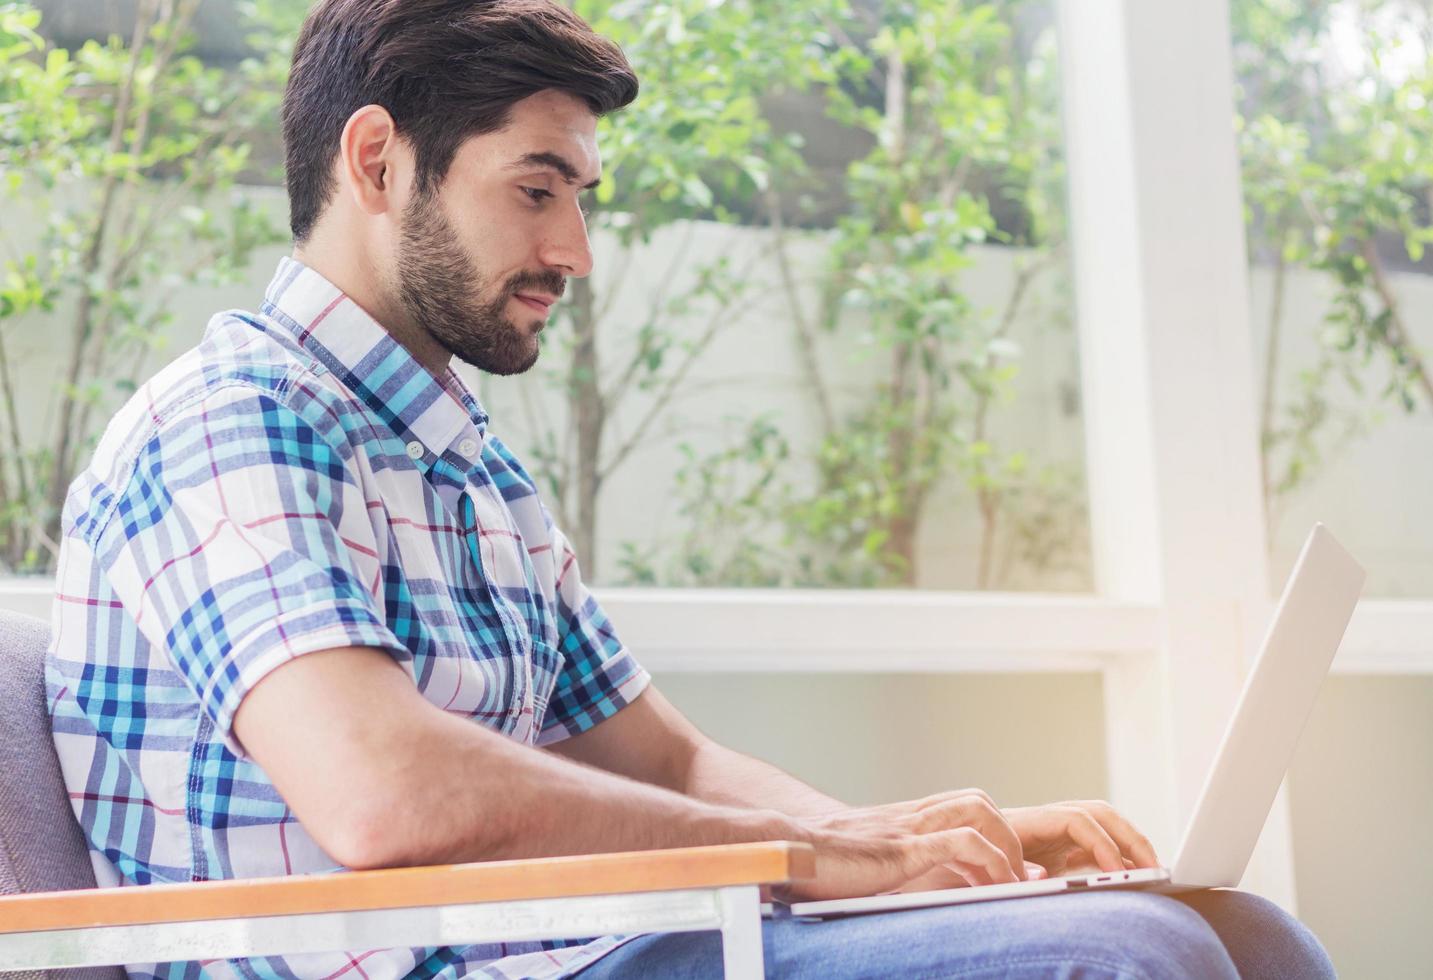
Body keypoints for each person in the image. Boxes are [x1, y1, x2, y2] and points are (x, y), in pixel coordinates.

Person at [46, 1, 1336, 977]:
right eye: (536, 191)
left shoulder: (469, 465)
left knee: (1246, 933)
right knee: (1122, 959)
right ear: (377, 163)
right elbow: (385, 795)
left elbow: (666, 756)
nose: (576, 252)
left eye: (581, 200)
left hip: (580, 948)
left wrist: (927, 856)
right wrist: (825, 863)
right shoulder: (226, 426)